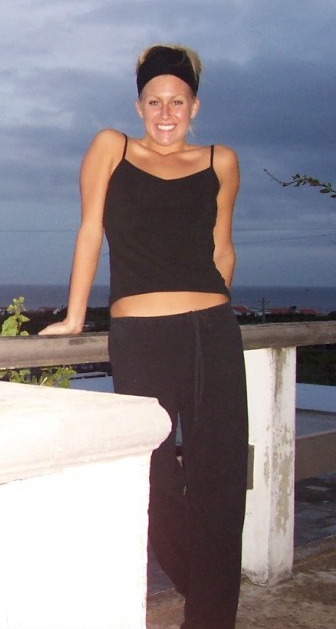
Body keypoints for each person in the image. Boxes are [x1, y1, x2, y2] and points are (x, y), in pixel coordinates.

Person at [40, 44, 249, 628]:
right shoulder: (111, 147)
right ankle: (209, 599)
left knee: (220, 481)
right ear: (138, 106)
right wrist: (78, 315)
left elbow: (221, 249)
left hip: (213, 331)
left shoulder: (220, 161)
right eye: (154, 101)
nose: (165, 112)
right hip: (140, 336)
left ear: (194, 106)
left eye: (176, 101)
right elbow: (89, 232)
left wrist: (217, 308)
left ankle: (209, 620)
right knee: (152, 480)